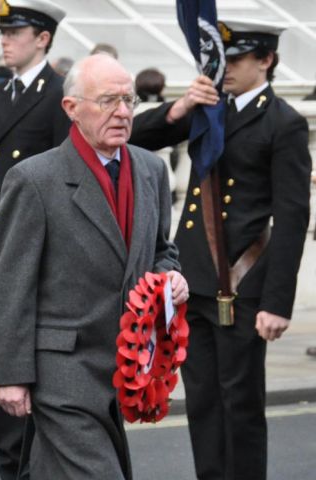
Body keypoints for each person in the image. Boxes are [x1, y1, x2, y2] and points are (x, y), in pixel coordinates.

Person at [0, 52, 188, 479]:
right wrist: (10, 374)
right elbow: (10, 284)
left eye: (128, 101)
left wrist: (171, 275)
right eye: (107, 101)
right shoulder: (34, 179)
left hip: (122, 365)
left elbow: (159, 250)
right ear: (71, 108)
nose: (121, 112)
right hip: (62, 370)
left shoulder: (150, 169)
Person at [130, 19, 312, 480]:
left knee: (241, 403)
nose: (223, 69)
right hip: (195, 278)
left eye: (234, 60)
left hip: (242, 282)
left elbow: (292, 218)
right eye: (220, 60)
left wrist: (276, 303)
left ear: (265, 61)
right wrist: (180, 107)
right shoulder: (210, 109)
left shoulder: (283, 123)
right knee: (204, 402)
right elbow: (136, 136)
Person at [0, 1, 70, 478]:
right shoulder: (0, 93)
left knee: (29, 384)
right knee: (0, 378)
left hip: (38, 259)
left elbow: (65, 184)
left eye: (15, 32)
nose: (4, 40)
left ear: (43, 39)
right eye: (2, 33)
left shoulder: (59, 95)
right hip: (1, 256)